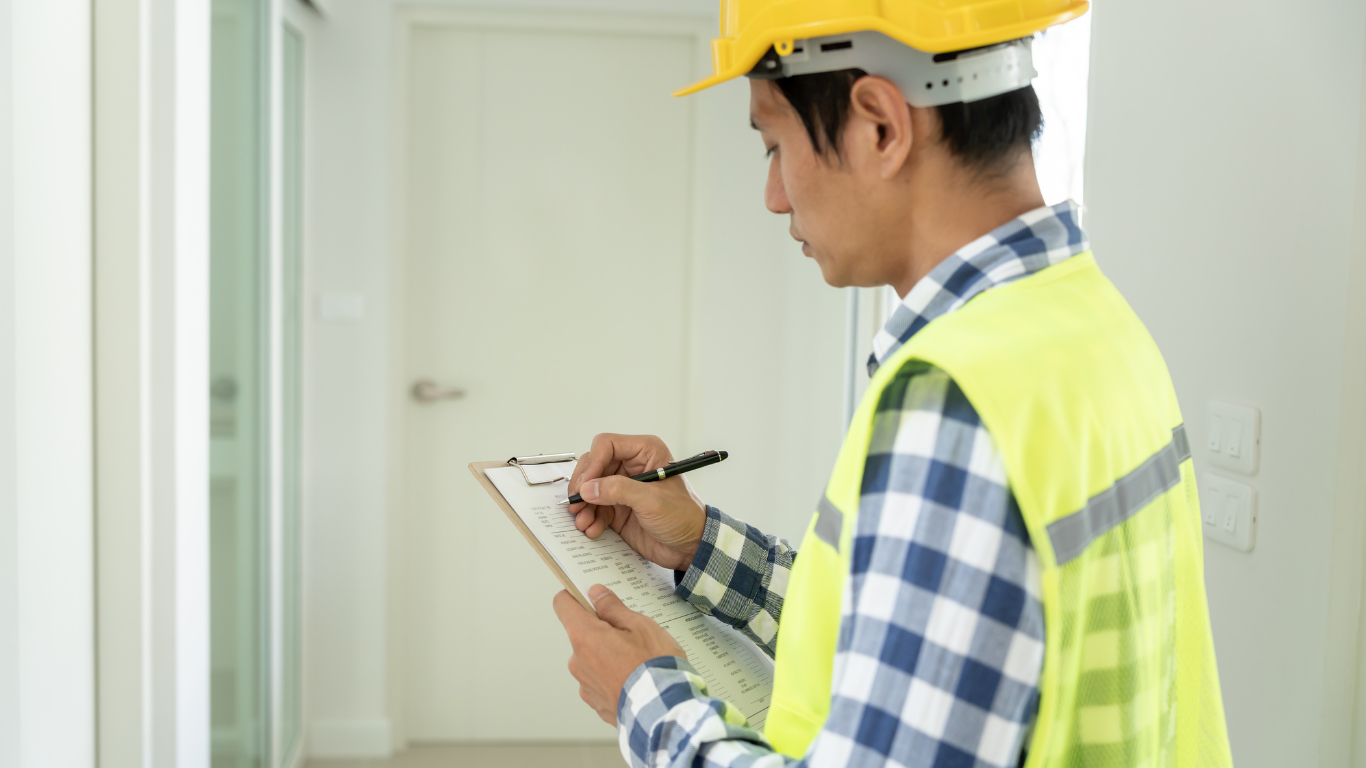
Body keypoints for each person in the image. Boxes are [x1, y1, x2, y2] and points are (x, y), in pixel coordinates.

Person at [552, 2, 1235, 766]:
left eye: (775, 144)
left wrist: (644, 701)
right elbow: (935, 641)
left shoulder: (953, 403)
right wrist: (702, 544)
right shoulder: (1093, 325)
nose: (774, 195)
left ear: (879, 124)